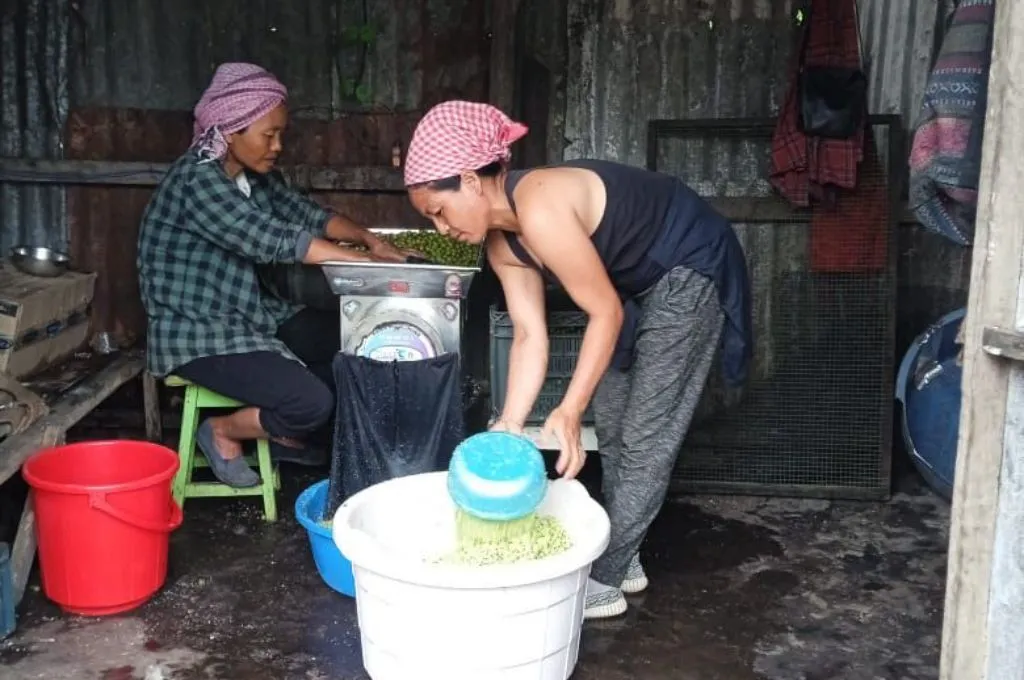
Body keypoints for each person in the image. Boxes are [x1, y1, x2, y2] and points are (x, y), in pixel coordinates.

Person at [403, 101, 753, 619]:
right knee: (612, 423)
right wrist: (510, 425)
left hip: (688, 267)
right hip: (634, 286)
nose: (440, 228)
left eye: (438, 210)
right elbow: (528, 335)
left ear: (472, 182)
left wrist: (567, 410)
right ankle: (625, 554)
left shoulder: (541, 206)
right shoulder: (501, 246)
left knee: (645, 437)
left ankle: (606, 579)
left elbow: (604, 312)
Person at [137, 62, 414, 489]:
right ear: (231, 130)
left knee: (355, 336)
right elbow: (270, 237)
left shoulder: (251, 178)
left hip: (253, 315)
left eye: (281, 133)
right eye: (269, 135)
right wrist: (362, 264)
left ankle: (289, 435)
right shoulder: (196, 180)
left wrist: (369, 240)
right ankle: (224, 431)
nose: (278, 145)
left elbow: (305, 216)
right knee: (311, 400)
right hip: (198, 333)